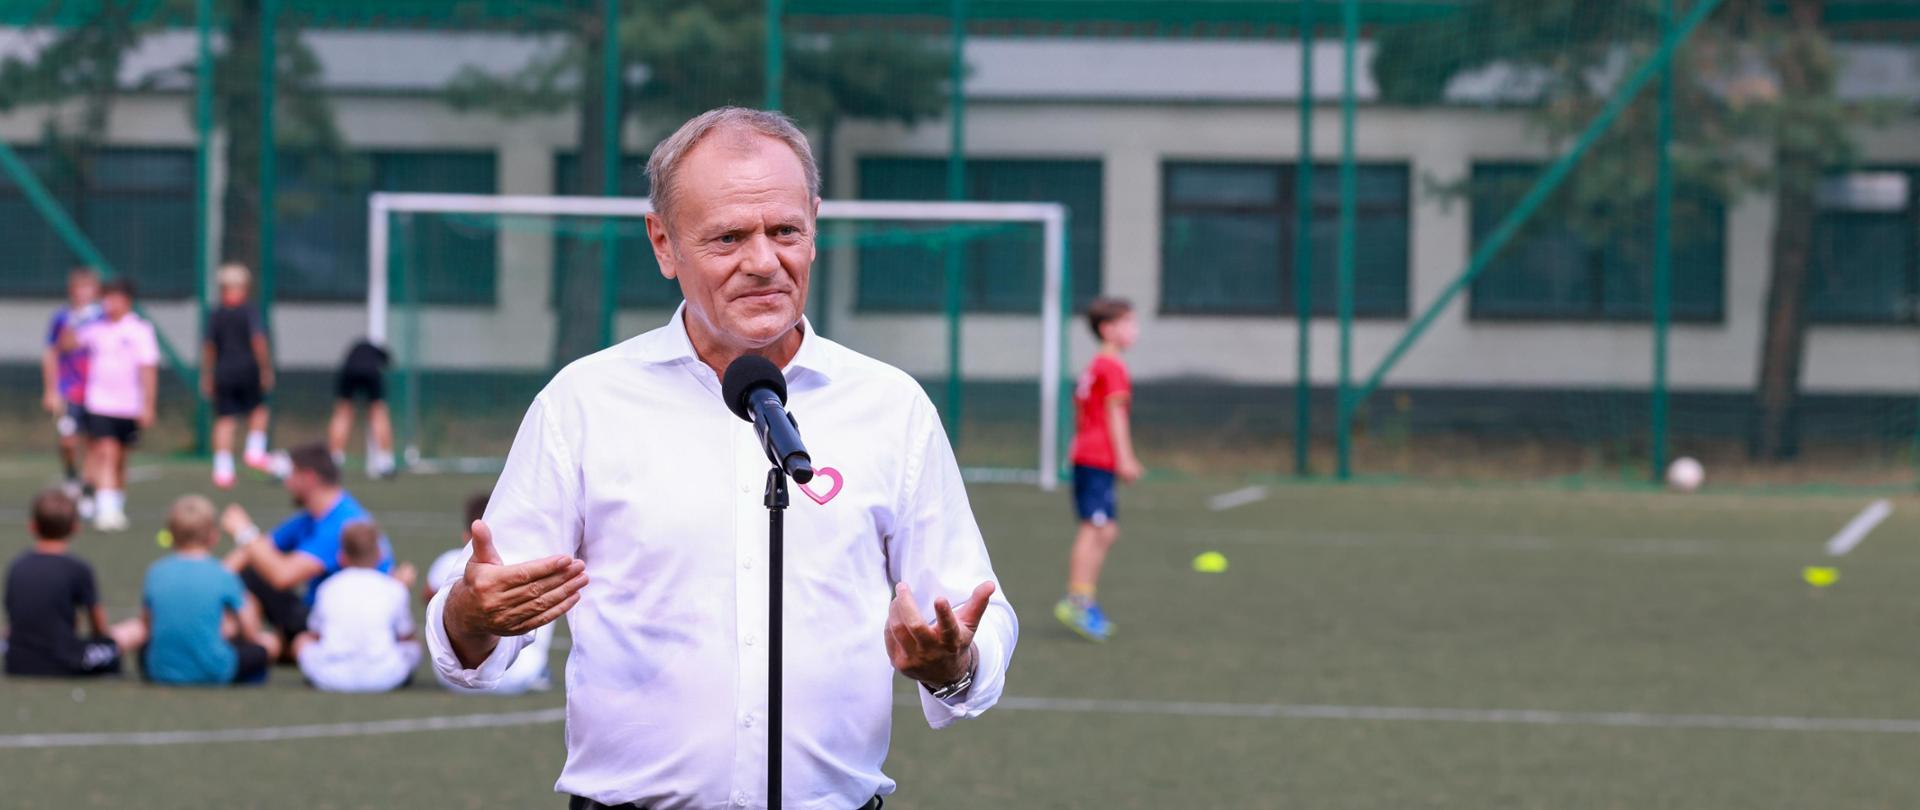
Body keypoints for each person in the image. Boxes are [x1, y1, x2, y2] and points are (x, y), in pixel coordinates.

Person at [427, 107, 1017, 810]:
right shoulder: (583, 403)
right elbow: (479, 634)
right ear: (663, 243)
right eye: (728, 237)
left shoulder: (891, 407)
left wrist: (955, 663)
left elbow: (974, 614)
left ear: (815, 226)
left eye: (785, 231)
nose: (763, 262)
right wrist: (470, 612)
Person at [221, 443, 395, 651]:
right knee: (252, 566)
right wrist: (209, 580)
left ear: (309, 477)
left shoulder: (341, 524)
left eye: (291, 474)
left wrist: (245, 532)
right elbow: (258, 549)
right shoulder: (316, 515)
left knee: (254, 571)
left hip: (349, 621)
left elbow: (282, 575)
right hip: (324, 613)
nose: (287, 483)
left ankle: (259, 644)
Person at [1054, 296, 1144, 643]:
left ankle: (1082, 597)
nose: (1135, 330)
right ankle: (1078, 600)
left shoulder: (1097, 365)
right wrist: (1126, 458)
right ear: (1108, 329)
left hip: (1090, 458)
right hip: (1097, 458)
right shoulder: (1113, 367)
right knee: (1095, 529)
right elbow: (1114, 416)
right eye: (1129, 323)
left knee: (1105, 530)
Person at [135, 495, 278, 686]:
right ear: (213, 536)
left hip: (160, 671)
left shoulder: (156, 572)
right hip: (214, 671)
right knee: (269, 644)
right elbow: (251, 631)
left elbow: (147, 626)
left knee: (146, 649)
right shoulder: (223, 574)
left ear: (171, 534)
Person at [3, 489, 140, 677]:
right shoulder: (78, 569)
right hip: (65, 662)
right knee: (131, 632)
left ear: (32, 526)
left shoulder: (17, 566)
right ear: (75, 527)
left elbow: (15, 617)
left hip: (17, 662)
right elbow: (98, 628)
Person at [424, 491, 550, 695]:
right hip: (521, 675)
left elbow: (427, 598)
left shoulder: (448, 561)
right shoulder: (534, 561)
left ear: (467, 536)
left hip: (452, 677)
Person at [66, 278, 160, 532]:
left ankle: (115, 505)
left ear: (127, 301)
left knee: (120, 459)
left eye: (115, 297)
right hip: (99, 404)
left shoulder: (140, 330)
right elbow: (66, 344)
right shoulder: (95, 327)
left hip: (129, 406)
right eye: (106, 297)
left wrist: (148, 405)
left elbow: (148, 370)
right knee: (105, 451)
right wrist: (77, 315)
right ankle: (105, 510)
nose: (109, 303)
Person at [292, 520, 419, 693]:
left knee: (301, 641)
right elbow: (406, 635)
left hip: (331, 677)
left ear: (342, 557)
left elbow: (315, 633)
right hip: (384, 677)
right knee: (414, 647)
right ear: (380, 554)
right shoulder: (394, 588)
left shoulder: (328, 587)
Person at [202, 264, 275, 489]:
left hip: (223, 372)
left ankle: (222, 471)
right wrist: (265, 368)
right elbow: (258, 341)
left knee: (225, 420)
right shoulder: (249, 311)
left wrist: (208, 374)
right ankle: (254, 451)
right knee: (258, 411)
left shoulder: (216, 314)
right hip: (247, 370)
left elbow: (209, 347)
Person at [41, 267, 100, 499]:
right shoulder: (62, 318)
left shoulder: (102, 316)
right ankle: (70, 474)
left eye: (87, 288)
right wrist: (50, 390)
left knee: (93, 441)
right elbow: (51, 352)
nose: (82, 293)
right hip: (70, 389)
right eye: (78, 288)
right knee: (68, 440)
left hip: (97, 391)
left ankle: (87, 488)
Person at [328, 338, 395, 479]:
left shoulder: (354, 350)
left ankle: (334, 460)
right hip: (371, 373)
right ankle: (385, 462)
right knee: (378, 413)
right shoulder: (380, 355)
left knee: (343, 414)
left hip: (349, 371)